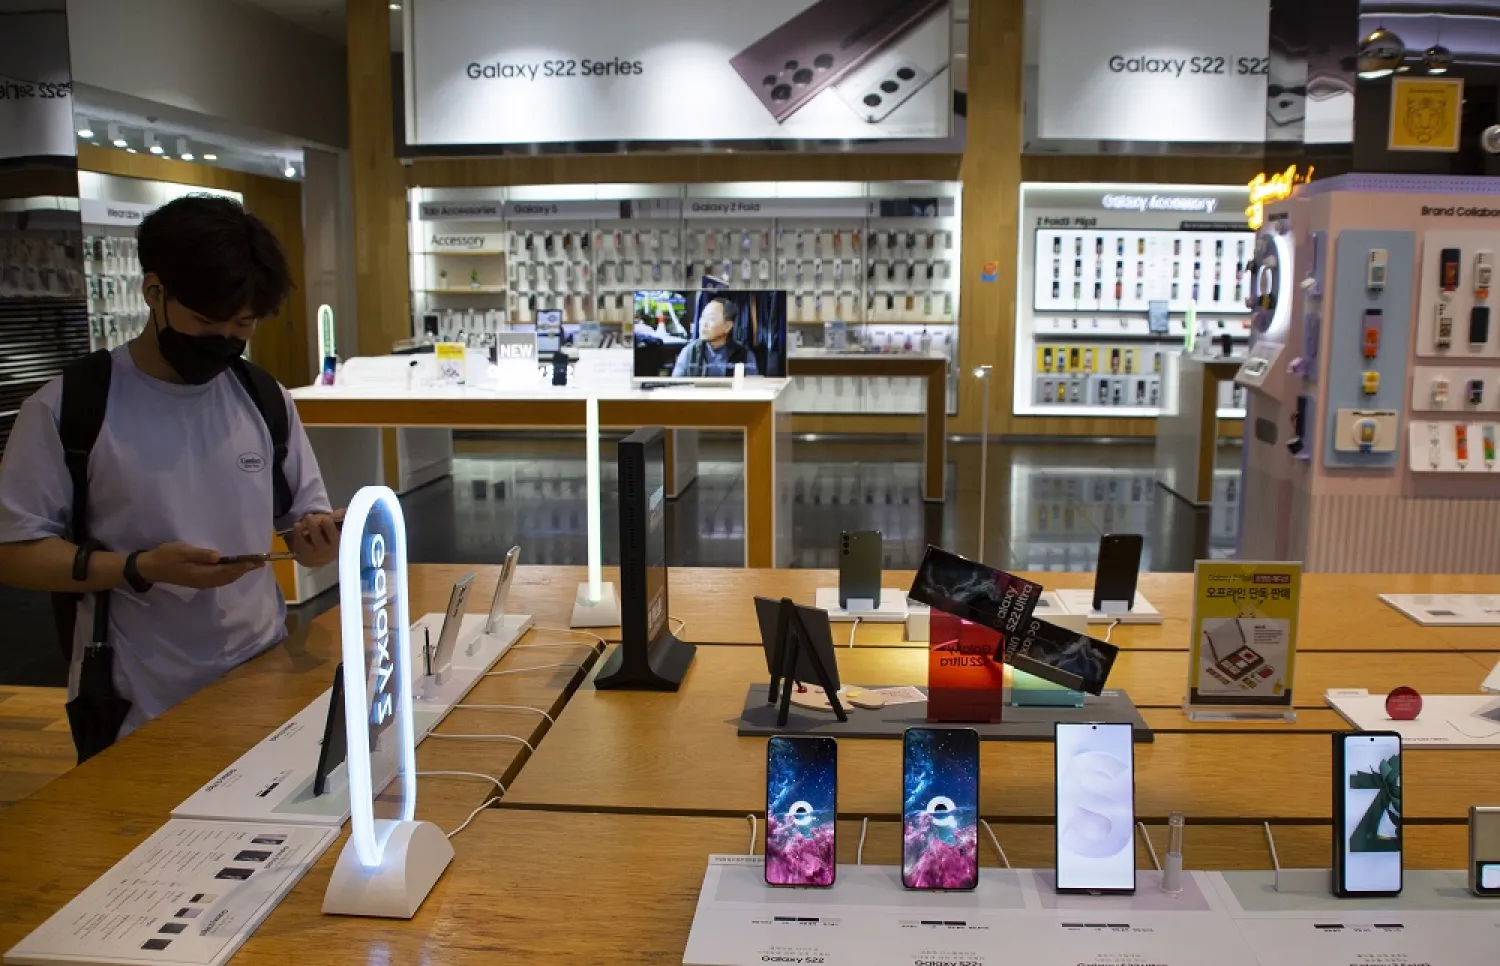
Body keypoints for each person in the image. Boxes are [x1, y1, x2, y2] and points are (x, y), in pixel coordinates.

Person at [0, 195, 340, 746]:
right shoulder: (71, 406)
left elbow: (305, 523)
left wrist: (319, 543)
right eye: (206, 320)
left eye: (243, 324)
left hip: (264, 673)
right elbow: (13, 553)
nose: (225, 340)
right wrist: (140, 567)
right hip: (137, 699)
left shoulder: (263, 397)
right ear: (153, 291)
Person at [670, 297, 759, 378]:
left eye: (711, 319)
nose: (703, 324)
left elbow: (752, 389)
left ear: (728, 326)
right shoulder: (690, 352)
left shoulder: (744, 355)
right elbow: (676, 386)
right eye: (703, 317)